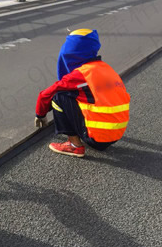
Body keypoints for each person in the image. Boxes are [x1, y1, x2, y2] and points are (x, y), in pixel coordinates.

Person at [34, 29, 130, 158]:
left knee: (58, 98)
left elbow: (46, 94)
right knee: (78, 95)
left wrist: (40, 114)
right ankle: (93, 133)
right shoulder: (105, 68)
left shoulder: (81, 75)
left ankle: (74, 146)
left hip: (98, 139)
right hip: (116, 134)